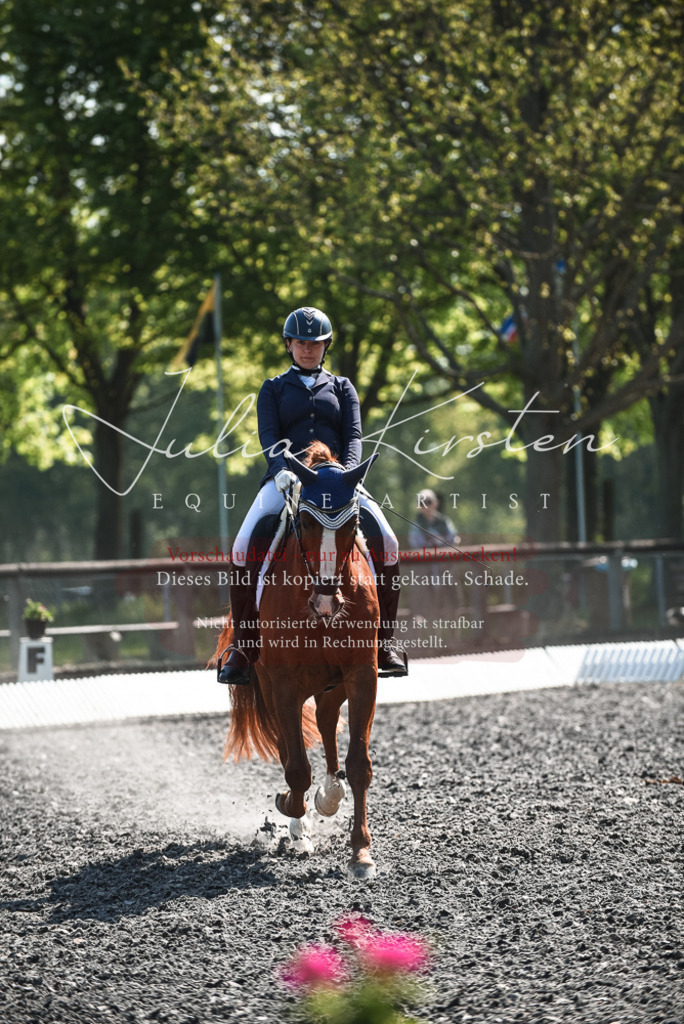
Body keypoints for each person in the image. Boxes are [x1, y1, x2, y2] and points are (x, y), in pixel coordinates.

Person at [218, 305, 408, 684]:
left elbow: (353, 435)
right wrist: (281, 471)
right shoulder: (273, 388)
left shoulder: (343, 387)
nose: (308, 349)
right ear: (289, 345)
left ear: (326, 346)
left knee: (388, 541)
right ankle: (244, 646)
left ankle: (384, 642)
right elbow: (268, 435)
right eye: (301, 343)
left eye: (315, 343)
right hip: (287, 480)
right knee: (242, 548)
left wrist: (345, 475)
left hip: (338, 482)